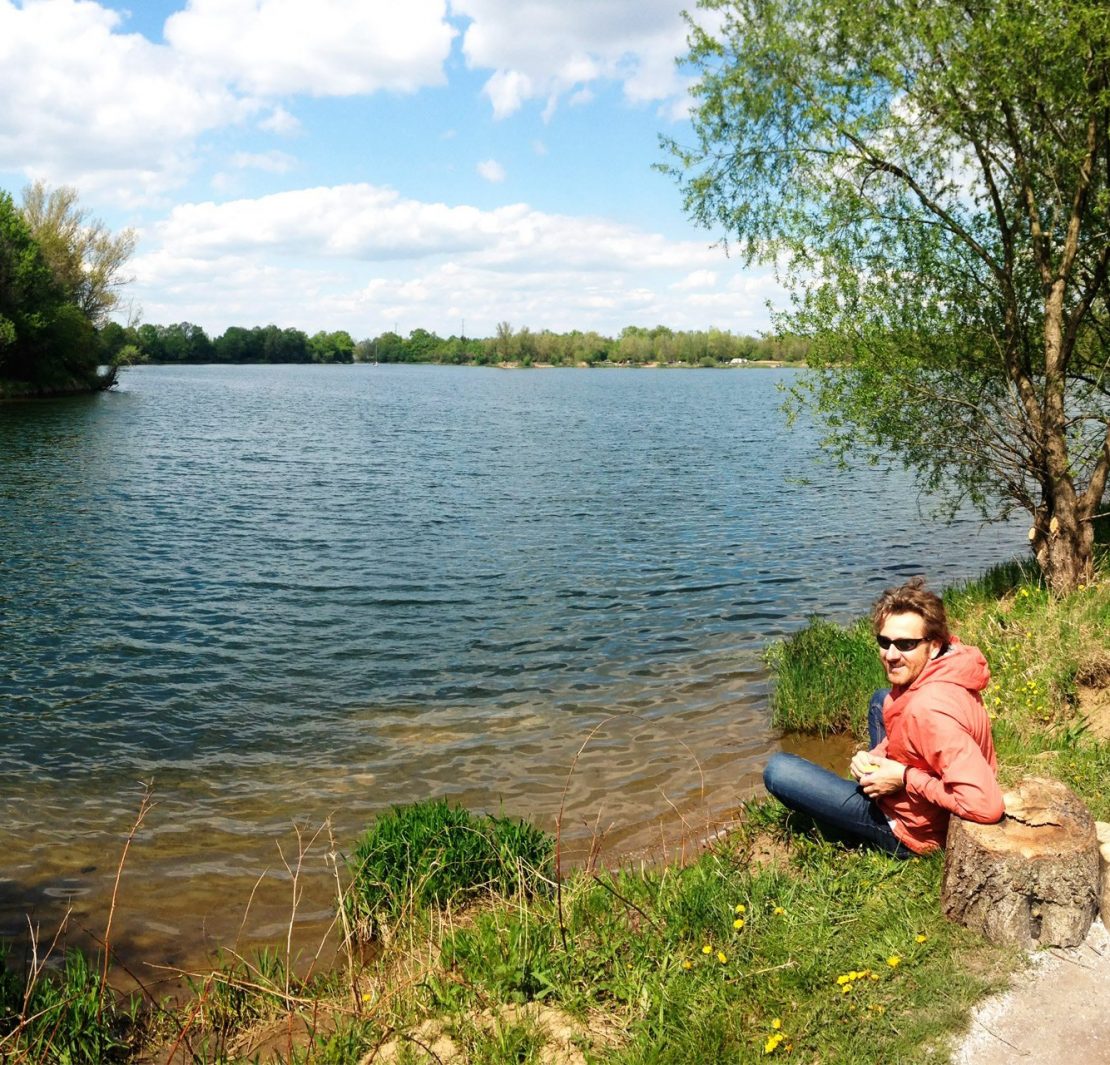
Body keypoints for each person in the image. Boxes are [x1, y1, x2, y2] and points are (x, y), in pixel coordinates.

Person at [762, 577, 1004, 856]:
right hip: (924, 791)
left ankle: (865, 821)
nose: (891, 655)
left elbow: (987, 806)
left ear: (934, 646)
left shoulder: (929, 712)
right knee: (881, 700)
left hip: (913, 831)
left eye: (906, 644)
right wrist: (876, 756)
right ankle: (874, 778)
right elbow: (915, 734)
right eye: (884, 641)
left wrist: (903, 777)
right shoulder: (950, 665)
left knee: (778, 771)